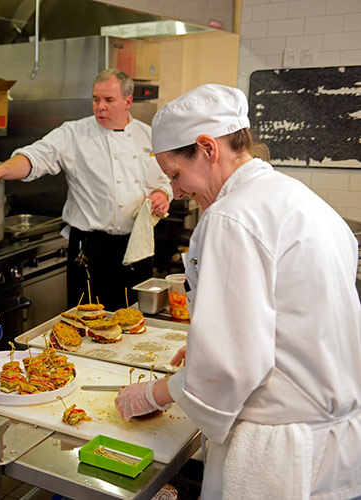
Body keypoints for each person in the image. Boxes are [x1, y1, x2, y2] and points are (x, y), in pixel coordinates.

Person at [114, 84, 361, 499]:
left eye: (175, 174)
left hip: (281, 456)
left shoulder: (232, 217)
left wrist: (155, 393)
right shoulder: (298, 198)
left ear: (208, 148)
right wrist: (209, 342)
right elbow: (292, 320)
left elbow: (229, 367)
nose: (176, 191)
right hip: (335, 447)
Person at [0, 69, 172, 311]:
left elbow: (166, 178)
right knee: (85, 322)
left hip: (137, 244)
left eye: (109, 100)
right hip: (89, 248)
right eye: (96, 99)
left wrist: (162, 194)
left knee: (133, 318)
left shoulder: (148, 135)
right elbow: (36, 157)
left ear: (128, 101)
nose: (100, 107)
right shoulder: (74, 133)